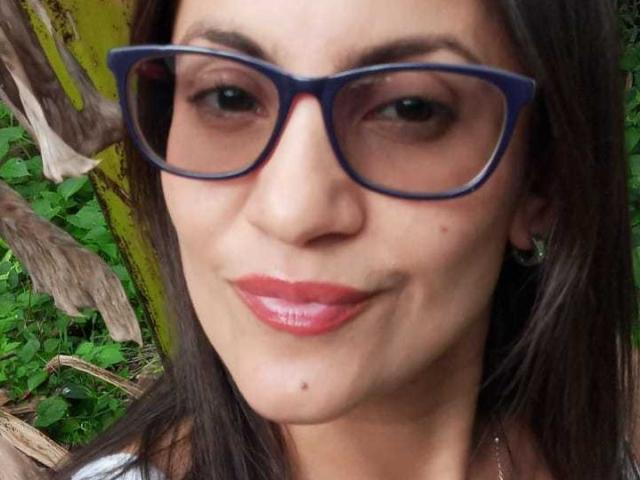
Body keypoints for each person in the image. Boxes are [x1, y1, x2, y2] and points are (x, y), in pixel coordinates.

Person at [51, 0, 638, 479]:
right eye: (227, 97)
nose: (292, 211)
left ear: (541, 180)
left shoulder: (617, 416)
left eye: (409, 110)